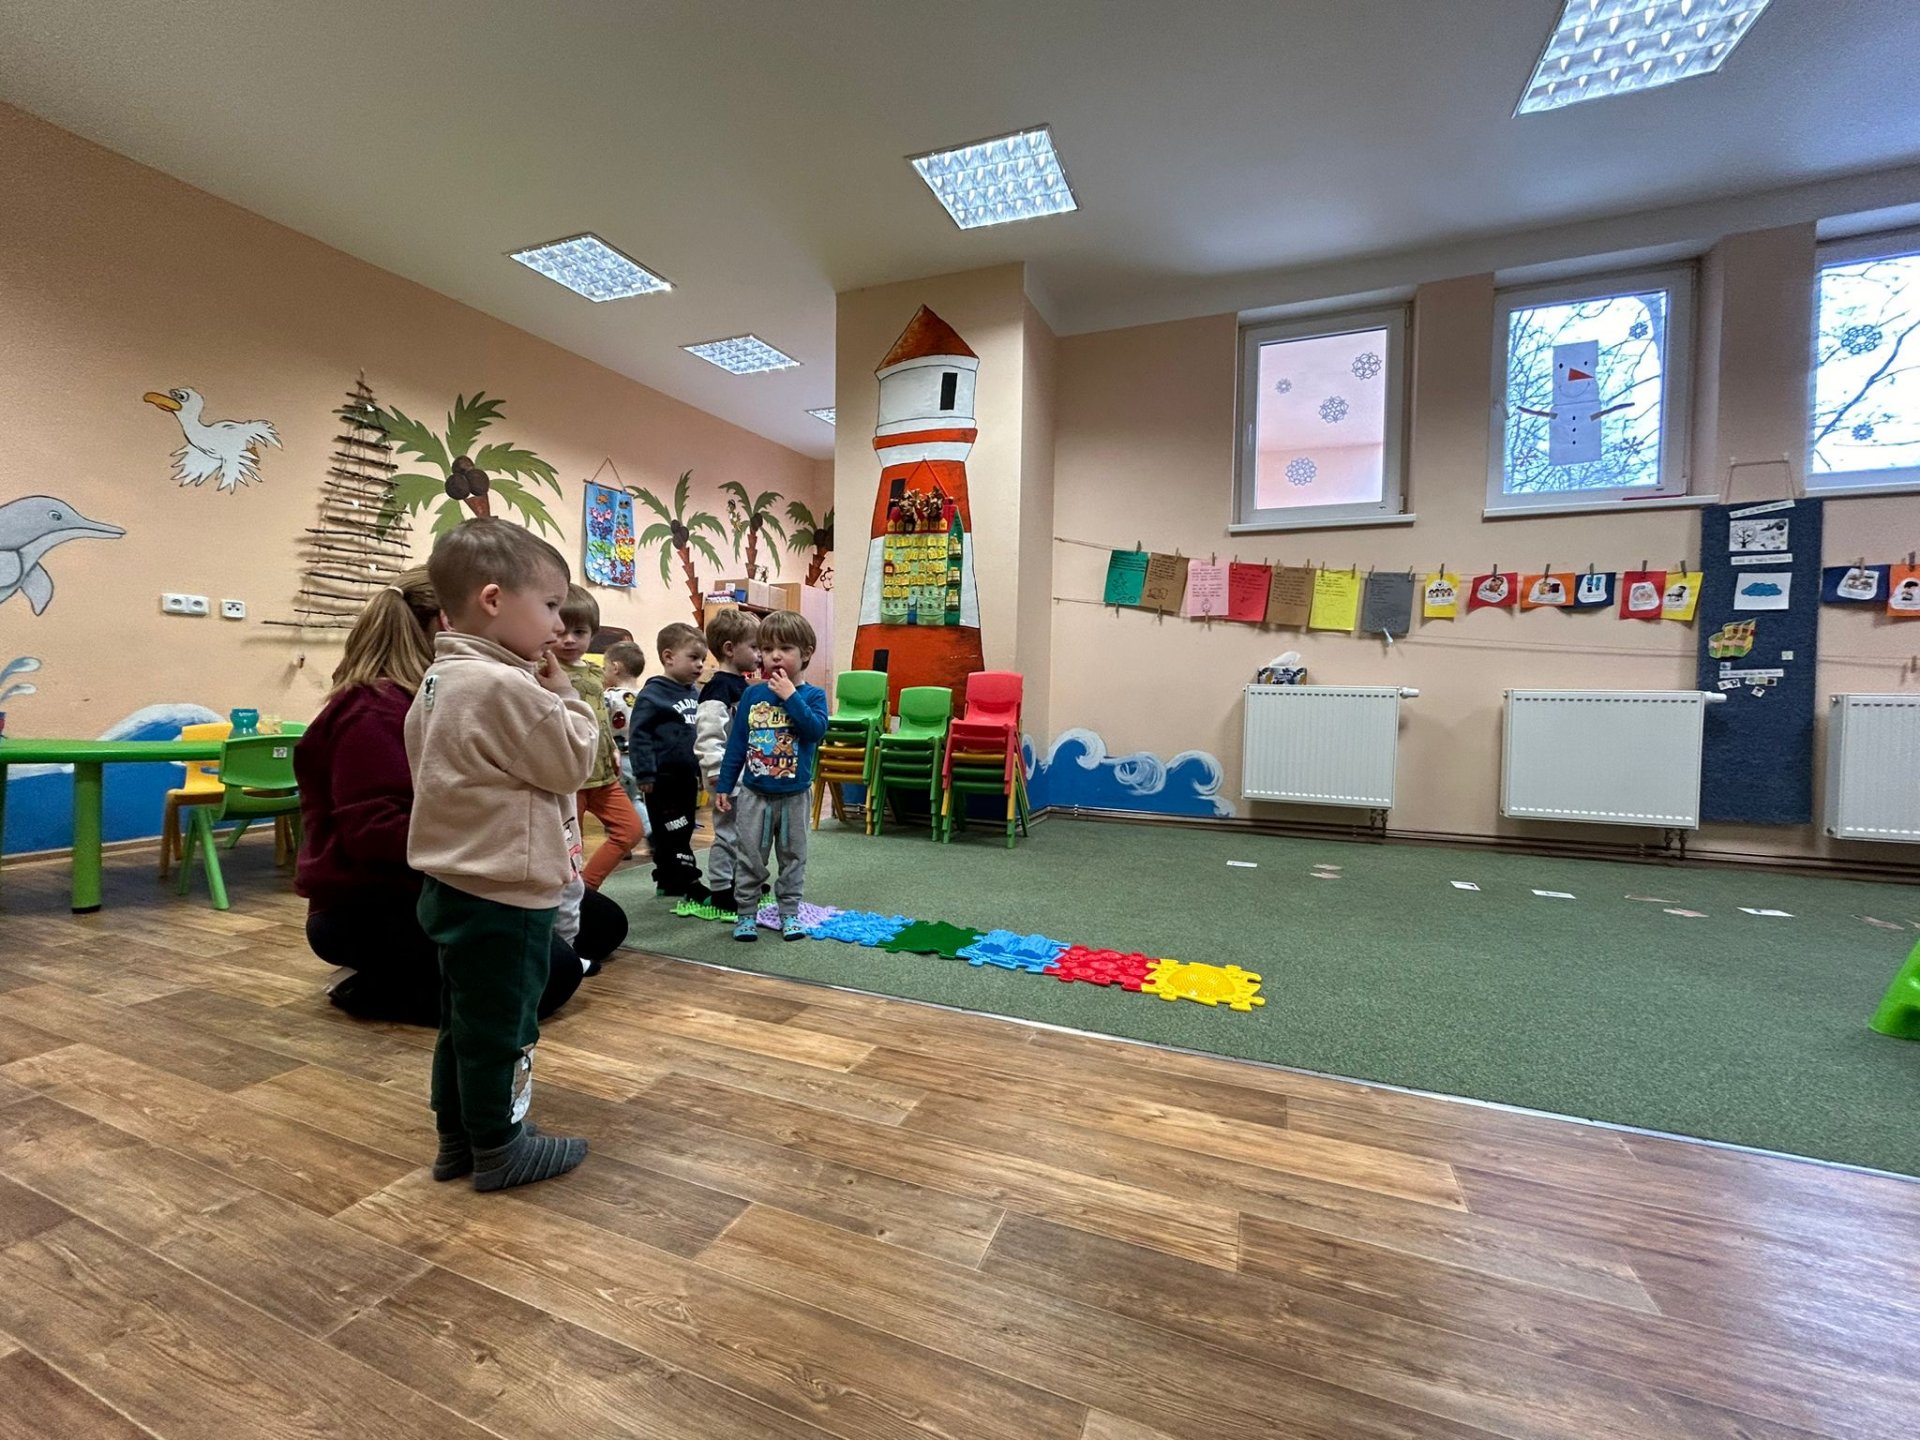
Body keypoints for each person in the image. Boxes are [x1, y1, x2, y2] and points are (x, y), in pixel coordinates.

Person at [294, 567, 626, 1027]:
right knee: (555, 973)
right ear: (450, 623)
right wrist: (495, 845)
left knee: (604, 924)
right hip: (373, 902)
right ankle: (374, 987)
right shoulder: (372, 711)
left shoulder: (455, 692)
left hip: (452, 876)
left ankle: (429, 969)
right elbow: (373, 834)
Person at [405, 518, 596, 1192]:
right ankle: (500, 1146)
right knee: (507, 1028)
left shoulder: (439, 681)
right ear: (493, 600)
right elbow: (575, 760)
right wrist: (566, 693)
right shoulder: (504, 687)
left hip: (454, 882)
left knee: (464, 1022)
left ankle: (459, 1137)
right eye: (549, 605)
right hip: (505, 890)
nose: (559, 625)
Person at [714, 610, 828, 941]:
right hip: (754, 795)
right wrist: (724, 784)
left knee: (793, 857)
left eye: (785, 648)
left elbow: (815, 731)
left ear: (806, 653)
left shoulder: (813, 696)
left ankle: (789, 912)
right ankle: (746, 914)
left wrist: (790, 696)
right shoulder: (752, 695)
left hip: (795, 795)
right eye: (767, 649)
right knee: (750, 856)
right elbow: (737, 743)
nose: (774, 656)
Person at [554, 586, 645, 889]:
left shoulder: (596, 673)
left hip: (603, 774)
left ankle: (587, 888)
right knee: (570, 847)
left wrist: (612, 748)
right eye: (561, 631)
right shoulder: (543, 670)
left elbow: (600, 714)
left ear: (591, 634)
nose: (569, 639)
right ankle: (572, 894)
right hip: (570, 779)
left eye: (579, 632)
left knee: (630, 830)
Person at [627, 621, 709, 900]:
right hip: (662, 779)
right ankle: (689, 880)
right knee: (673, 829)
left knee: (682, 828)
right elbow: (639, 735)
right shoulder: (652, 695)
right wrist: (645, 773)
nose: (700, 665)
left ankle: (667, 879)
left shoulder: (695, 693)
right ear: (668, 657)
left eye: (702, 659)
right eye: (693, 657)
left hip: (687, 777)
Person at [693, 609, 760, 914]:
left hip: (744, 774)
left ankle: (738, 880)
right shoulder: (717, 688)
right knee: (727, 832)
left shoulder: (743, 687)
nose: (760, 655)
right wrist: (717, 772)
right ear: (730, 649)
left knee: (745, 832)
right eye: (755, 647)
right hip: (725, 776)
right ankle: (721, 887)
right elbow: (708, 734)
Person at [600, 639, 649, 821]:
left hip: (621, 758)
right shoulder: (646, 695)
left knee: (626, 800)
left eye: (604, 668)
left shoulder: (609, 697)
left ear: (615, 667)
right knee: (637, 798)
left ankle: (647, 830)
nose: (603, 672)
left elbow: (600, 722)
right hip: (644, 757)